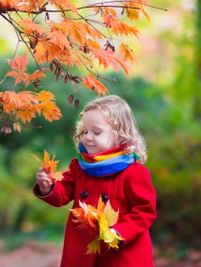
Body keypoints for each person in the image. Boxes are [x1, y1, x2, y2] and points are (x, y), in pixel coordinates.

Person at [34, 95, 157, 267]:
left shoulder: (134, 173)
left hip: (121, 254)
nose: (88, 137)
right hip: (82, 252)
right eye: (85, 131)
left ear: (121, 135)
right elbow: (62, 195)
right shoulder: (79, 167)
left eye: (96, 132)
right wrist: (47, 187)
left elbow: (144, 211)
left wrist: (119, 232)